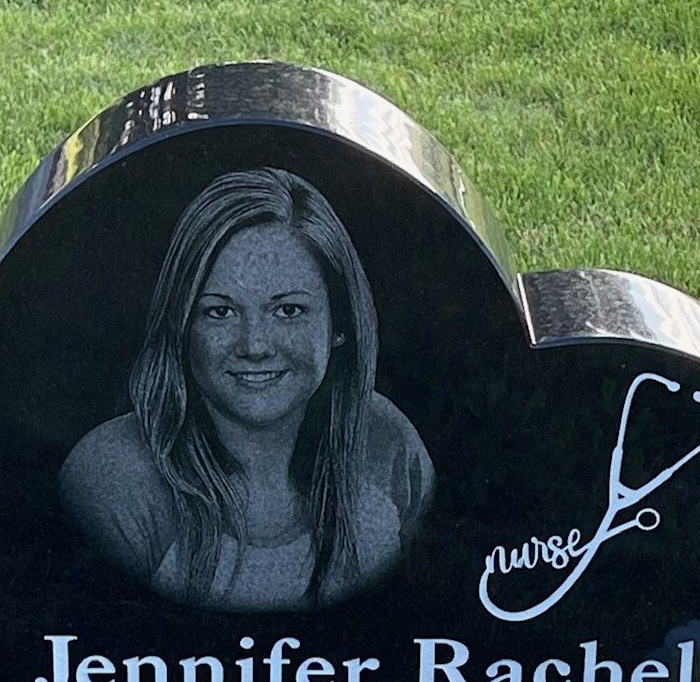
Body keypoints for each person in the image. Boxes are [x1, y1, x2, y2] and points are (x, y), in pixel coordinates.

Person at [58, 168, 433, 611]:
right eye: (220, 313)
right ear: (181, 326)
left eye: (288, 310)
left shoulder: (383, 440)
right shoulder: (115, 478)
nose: (255, 345)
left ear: (340, 325)